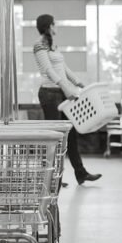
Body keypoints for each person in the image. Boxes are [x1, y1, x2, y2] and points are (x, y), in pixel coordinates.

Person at [33, 14, 101, 185]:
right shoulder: (39, 45)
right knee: (54, 138)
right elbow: (48, 70)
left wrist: (78, 82)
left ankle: (81, 173)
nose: (56, 26)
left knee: (71, 135)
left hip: (61, 93)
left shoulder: (53, 46)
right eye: (54, 24)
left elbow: (63, 68)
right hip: (49, 94)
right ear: (49, 26)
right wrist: (65, 86)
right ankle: (51, 178)